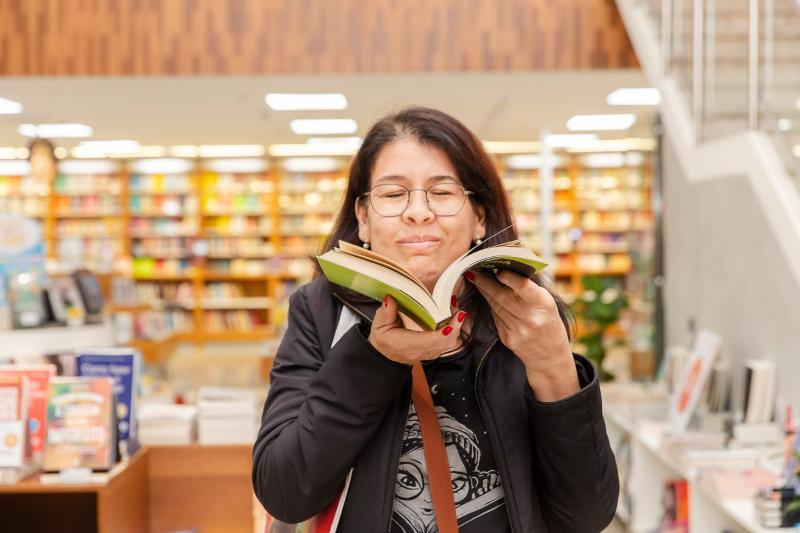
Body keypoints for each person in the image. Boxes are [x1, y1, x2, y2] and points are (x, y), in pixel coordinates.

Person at [252, 107, 619, 532]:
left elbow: (587, 514)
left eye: (442, 193)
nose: (419, 213)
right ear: (364, 218)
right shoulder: (320, 311)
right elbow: (283, 492)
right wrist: (374, 359)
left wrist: (553, 366)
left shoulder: (525, 313)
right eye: (393, 195)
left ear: (479, 216)